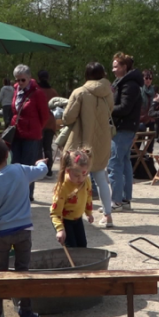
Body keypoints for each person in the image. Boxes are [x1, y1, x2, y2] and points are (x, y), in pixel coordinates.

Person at [0, 135, 48, 317]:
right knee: (23, 270)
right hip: (24, 230)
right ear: (7, 154)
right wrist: (41, 163)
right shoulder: (20, 170)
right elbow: (41, 171)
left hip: (0, 235)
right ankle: (26, 313)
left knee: (0, 272)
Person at [61, 61, 115, 229]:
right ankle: (108, 215)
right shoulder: (108, 93)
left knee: (70, 177)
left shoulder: (80, 92)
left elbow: (67, 117)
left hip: (81, 140)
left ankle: (68, 213)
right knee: (101, 179)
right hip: (102, 139)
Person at [10, 64, 51, 202]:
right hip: (16, 133)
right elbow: (15, 110)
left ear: (29, 78)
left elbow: (45, 115)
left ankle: (27, 195)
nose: (20, 83)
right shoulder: (16, 89)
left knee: (28, 167)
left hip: (32, 135)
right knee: (15, 165)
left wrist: (36, 128)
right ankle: (17, 194)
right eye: (17, 80)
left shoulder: (37, 93)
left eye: (22, 80)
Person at [108, 52, 142, 211]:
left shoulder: (129, 85)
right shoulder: (124, 83)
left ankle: (116, 201)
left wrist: (107, 109)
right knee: (125, 162)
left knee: (114, 163)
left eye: (116, 66)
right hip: (126, 127)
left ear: (124, 67)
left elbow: (124, 108)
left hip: (123, 128)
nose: (113, 69)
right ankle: (125, 199)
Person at [50, 149, 94, 248]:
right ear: (68, 170)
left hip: (78, 219)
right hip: (65, 220)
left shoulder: (86, 181)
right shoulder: (62, 187)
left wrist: (89, 212)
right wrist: (60, 229)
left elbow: (88, 196)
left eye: (85, 174)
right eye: (77, 176)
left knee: (82, 246)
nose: (81, 179)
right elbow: (55, 213)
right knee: (72, 249)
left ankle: (82, 263)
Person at [36, 70, 59, 174]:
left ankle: (40, 168)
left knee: (38, 146)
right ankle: (49, 168)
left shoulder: (36, 90)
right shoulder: (53, 92)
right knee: (48, 146)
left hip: (39, 121)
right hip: (50, 121)